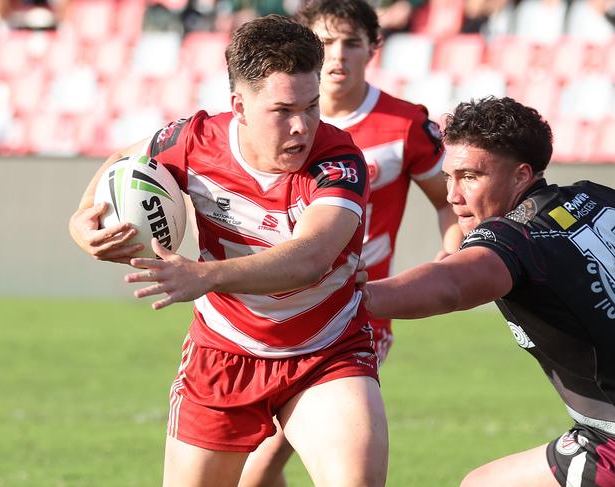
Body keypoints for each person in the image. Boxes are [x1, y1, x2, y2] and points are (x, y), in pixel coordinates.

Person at [69, 14, 388, 487]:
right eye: (283, 111)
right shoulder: (193, 141)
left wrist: (207, 277)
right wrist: (80, 223)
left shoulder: (339, 162)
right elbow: (123, 161)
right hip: (223, 355)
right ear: (239, 105)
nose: (302, 126)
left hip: (327, 351)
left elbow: (312, 256)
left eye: (312, 106)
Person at [239, 1, 462, 484]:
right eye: (324, 42)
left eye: (351, 42)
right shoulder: (267, 121)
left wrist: (451, 255)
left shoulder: (403, 125)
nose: (337, 55)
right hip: (267, 310)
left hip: (354, 310)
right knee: (252, 462)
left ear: (373, 49)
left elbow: (451, 199)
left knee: (259, 458)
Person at [365, 95, 615, 487]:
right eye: (449, 176)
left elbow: (450, 288)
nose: (453, 196)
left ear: (520, 176)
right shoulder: (594, 197)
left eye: (470, 177)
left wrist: (348, 299)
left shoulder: (514, 237)